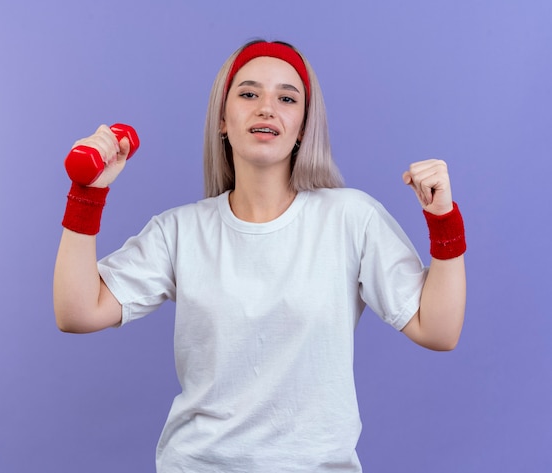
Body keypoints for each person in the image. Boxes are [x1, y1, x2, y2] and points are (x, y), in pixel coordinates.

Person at [53, 40, 466, 472]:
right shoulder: (180, 231)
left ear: (304, 125)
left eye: (287, 98)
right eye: (249, 94)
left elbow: (438, 330)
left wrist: (443, 220)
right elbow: (77, 312)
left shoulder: (351, 217)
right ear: (222, 120)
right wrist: (88, 193)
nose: (267, 108)